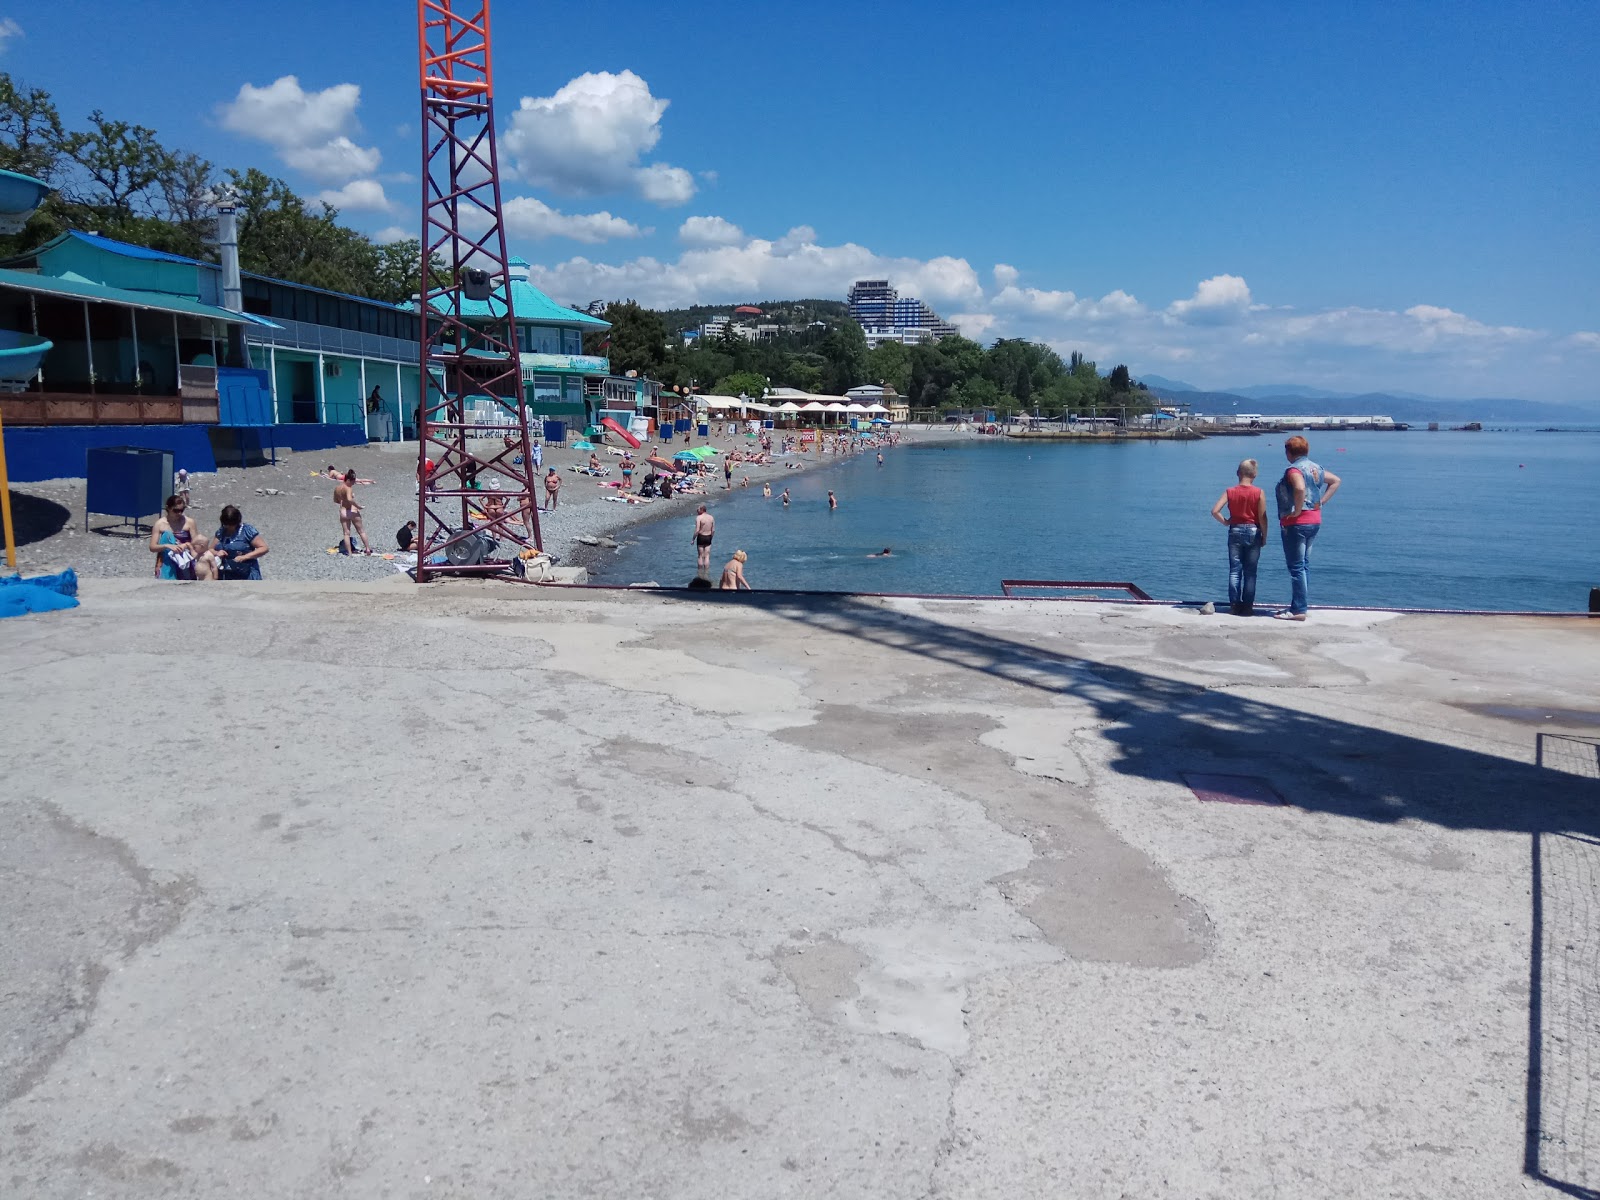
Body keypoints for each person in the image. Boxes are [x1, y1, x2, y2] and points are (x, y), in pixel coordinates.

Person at [1274, 435, 1342, 621]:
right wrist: (1321, 502)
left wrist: (1296, 510)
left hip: (1297, 523)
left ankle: (1298, 610)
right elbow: (1335, 481)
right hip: (1314, 520)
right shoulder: (1316, 468)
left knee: (1296, 567)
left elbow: (1299, 487)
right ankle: (1300, 605)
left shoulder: (1294, 470)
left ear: (1289, 452)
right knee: (1304, 565)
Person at [1211, 457, 1267, 616]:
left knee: (1235, 570)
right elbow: (1262, 517)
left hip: (1235, 530)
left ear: (1238, 473)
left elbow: (1215, 511)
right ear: (1254, 475)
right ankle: (1247, 607)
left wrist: (1226, 522)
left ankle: (1234, 605)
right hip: (1253, 531)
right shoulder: (1259, 492)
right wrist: (1264, 535)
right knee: (1250, 572)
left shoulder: (1230, 491)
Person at [149, 494, 215, 581]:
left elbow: (197, 544)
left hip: (186, 560)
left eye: (182, 510)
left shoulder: (189, 522)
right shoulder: (160, 524)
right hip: (166, 562)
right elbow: (152, 547)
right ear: (168, 508)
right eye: (176, 510)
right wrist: (167, 546)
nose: (179, 513)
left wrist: (186, 545)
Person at [211, 505, 268, 580]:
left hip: (246, 572)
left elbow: (264, 548)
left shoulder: (247, 531)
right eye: (226, 524)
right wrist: (217, 553)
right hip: (226, 573)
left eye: (231, 524)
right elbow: (210, 549)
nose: (229, 527)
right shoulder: (221, 532)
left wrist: (244, 557)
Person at [334, 469, 372, 555]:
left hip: (343, 511)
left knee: (346, 533)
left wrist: (343, 501)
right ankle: (368, 549)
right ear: (348, 480)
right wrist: (359, 506)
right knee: (361, 531)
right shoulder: (348, 488)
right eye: (352, 482)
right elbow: (350, 499)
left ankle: (350, 553)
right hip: (352, 510)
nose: (353, 484)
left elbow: (335, 500)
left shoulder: (337, 488)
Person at [692, 504, 715, 577]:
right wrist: (711, 537)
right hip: (708, 536)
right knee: (707, 556)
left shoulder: (699, 518)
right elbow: (713, 530)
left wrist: (693, 539)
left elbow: (697, 530)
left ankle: (700, 574)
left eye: (698, 509)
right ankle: (706, 573)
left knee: (700, 556)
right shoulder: (711, 517)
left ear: (702, 510)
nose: (697, 511)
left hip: (701, 537)